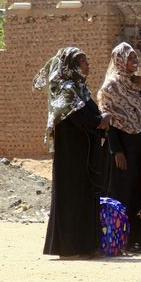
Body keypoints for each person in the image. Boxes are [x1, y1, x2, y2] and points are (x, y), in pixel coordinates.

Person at [34, 47, 110, 258]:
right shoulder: (67, 90)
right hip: (71, 158)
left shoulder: (80, 89)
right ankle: (68, 249)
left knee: (86, 199)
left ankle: (87, 246)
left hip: (84, 157)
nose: (88, 66)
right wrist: (101, 121)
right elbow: (79, 119)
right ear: (72, 66)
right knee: (71, 200)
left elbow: (88, 114)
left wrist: (101, 120)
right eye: (83, 62)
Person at [97, 42, 141, 251]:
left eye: (135, 57)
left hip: (136, 145)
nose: (134, 61)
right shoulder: (110, 87)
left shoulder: (133, 84)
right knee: (121, 192)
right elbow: (109, 121)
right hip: (120, 148)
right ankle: (118, 238)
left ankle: (135, 240)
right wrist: (116, 151)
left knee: (136, 190)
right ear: (119, 61)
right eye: (130, 58)